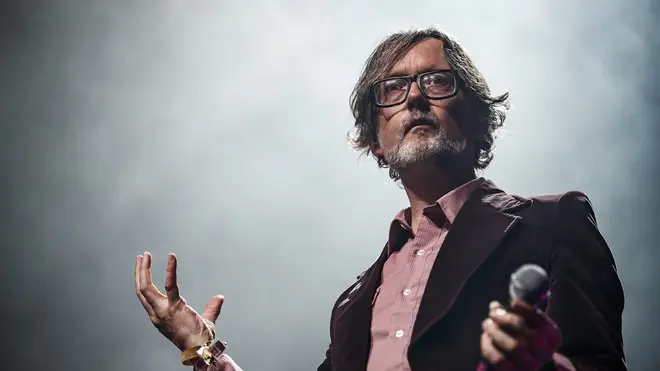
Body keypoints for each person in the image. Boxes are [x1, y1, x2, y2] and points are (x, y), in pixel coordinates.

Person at [133, 27, 626, 371]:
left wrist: (542, 364)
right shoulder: (353, 303)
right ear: (374, 140)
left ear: (477, 118)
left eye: (436, 80)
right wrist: (205, 352)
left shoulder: (551, 223)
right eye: (393, 88)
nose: (414, 97)